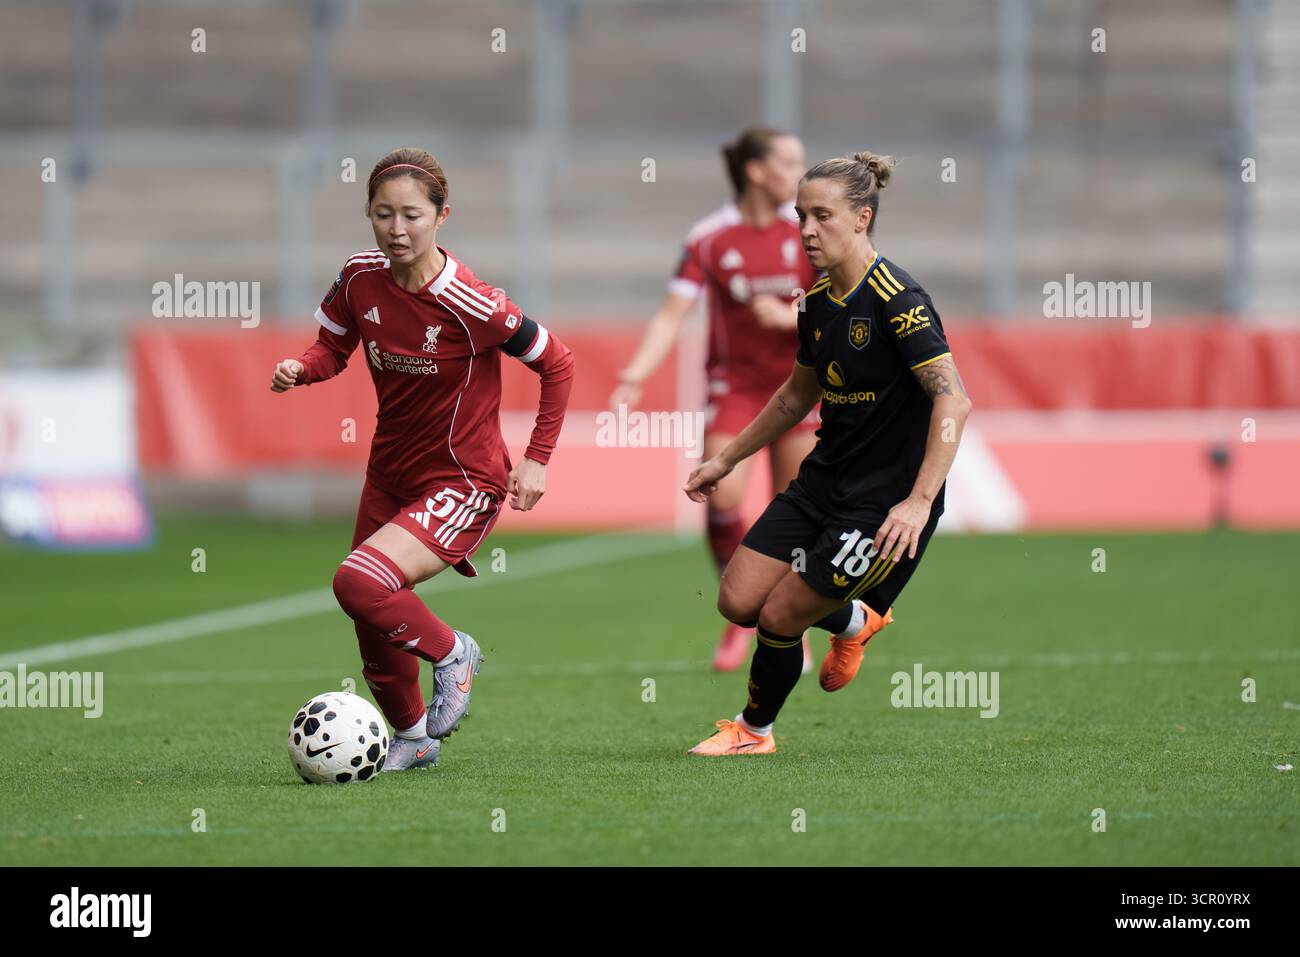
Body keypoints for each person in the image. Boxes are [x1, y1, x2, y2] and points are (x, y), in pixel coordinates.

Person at [271, 148, 575, 771]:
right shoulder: (359, 277)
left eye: (411, 214)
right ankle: (413, 740)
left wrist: (537, 459)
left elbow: (558, 363)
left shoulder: (474, 302)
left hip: (462, 480)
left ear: (442, 216)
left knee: (358, 582)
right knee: (369, 615)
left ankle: (452, 651)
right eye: (383, 215)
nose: (397, 229)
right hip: (389, 476)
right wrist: (303, 368)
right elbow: (333, 347)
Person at [682, 151, 972, 755]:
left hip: (884, 501)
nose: (807, 231)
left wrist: (919, 503)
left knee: (781, 616)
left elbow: (954, 402)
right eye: (800, 217)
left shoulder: (899, 299)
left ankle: (753, 731)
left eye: (823, 216)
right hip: (824, 482)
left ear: (861, 218)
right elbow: (794, 397)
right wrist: (726, 460)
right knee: (737, 600)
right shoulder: (815, 302)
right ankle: (851, 621)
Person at [610, 126, 820, 671]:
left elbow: (840, 302)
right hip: (737, 390)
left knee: (794, 509)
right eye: (790, 162)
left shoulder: (809, 230)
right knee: (722, 496)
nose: (800, 174)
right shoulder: (709, 237)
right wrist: (635, 372)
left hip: (802, 385)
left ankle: (785, 621)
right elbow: (671, 313)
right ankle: (739, 614)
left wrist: (793, 315)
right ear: (756, 170)